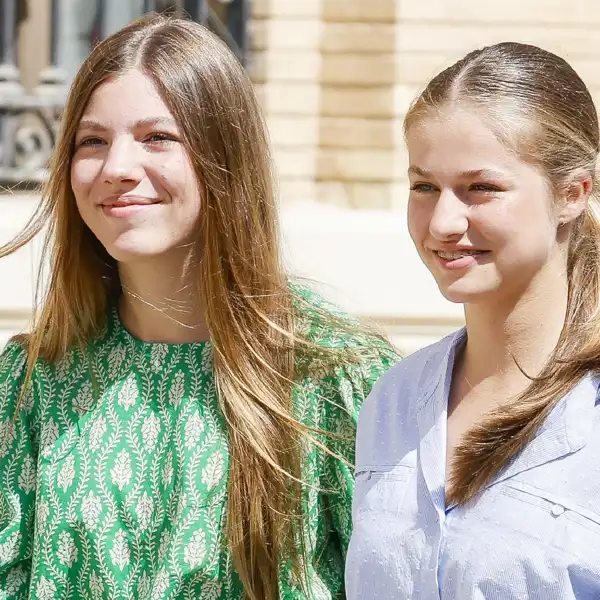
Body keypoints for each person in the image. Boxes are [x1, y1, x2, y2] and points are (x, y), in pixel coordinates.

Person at [0, 14, 398, 600]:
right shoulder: (32, 381)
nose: (116, 169)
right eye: (92, 141)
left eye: (158, 138)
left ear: (225, 157)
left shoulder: (335, 374)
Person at [346, 42, 600, 599]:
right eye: (424, 187)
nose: (442, 221)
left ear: (572, 193)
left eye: (480, 188)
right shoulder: (393, 399)